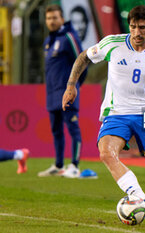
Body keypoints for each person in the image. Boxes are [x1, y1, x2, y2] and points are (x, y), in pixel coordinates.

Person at [62, 5, 145, 226]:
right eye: (132, 27)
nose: (137, 33)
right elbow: (83, 57)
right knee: (106, 153)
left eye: (142, 28)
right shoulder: (112, 44)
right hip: (116, 113)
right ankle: (140, 197)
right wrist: (71, 86)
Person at [38, 5, 86, 178]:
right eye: (48, 18)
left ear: (61, 18)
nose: (51, 21)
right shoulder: (48, 41)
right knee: (56, 131)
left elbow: (82, 62)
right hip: (52, 95)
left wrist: (74, 87)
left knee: (73, 128)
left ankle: (74, 165)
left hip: (67, 93)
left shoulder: (68, 37)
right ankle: (59, 165)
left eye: (54, 18)